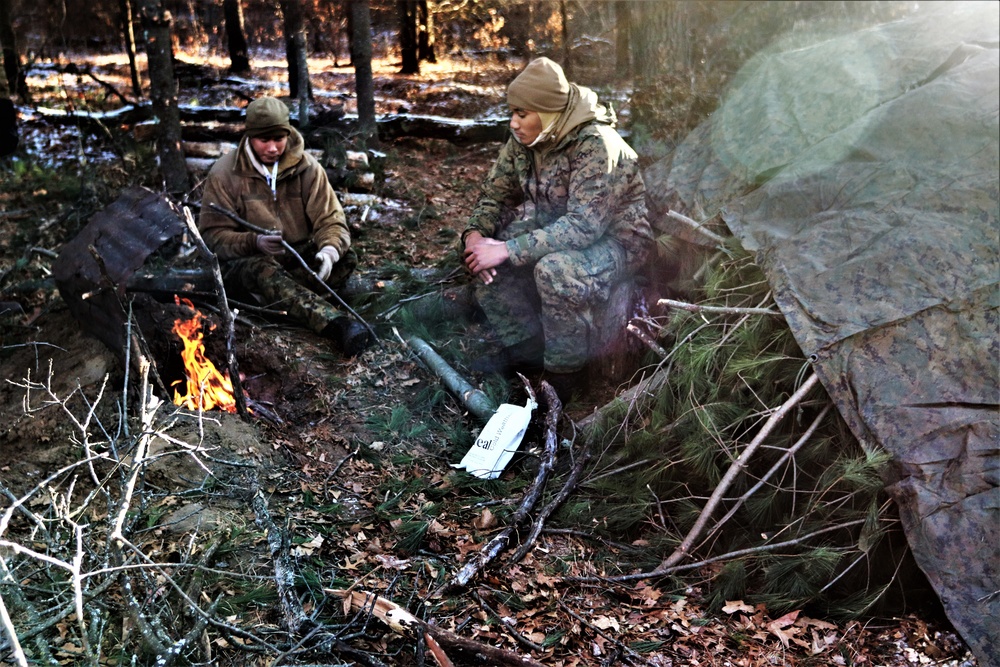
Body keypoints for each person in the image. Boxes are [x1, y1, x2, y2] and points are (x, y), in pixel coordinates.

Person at [462, 57, 653, 400]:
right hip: (556, 225)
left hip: (618, 243)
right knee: (483, 252)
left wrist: (508, 250)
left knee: (555, 270)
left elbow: (584, 226)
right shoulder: (526, 139)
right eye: (512, 112)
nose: (514, 123)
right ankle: (526, 349)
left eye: (523, 114)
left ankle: (566, 376)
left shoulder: (596, 144)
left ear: (548, 112)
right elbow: (494, 194)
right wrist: (475, 237)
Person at [198, 96, 372, 356]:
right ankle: (339, 325)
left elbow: (331, 219)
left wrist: (328, 251)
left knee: (346, 258)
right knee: (263, 270)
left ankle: (281, 302)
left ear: (288, 134)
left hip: (293, 259)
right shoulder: (225, 173)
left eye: (278, 138)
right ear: (249, 136)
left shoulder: (308, 168)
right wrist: (253, 242)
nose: (272, 147)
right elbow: (212, 237)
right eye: (263, 140)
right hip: (246, 266)